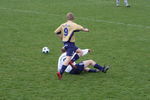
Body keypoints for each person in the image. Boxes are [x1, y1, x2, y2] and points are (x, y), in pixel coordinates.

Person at [54, 12, 89, 79]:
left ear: (67, 18)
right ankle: (60, 72)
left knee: (80, 52)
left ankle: (71, 61)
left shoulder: (63, 25)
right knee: (67, 59)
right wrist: (85, 30)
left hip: (66, 43)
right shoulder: (73, 24)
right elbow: (81, 28)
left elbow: (56, 32)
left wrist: (61, 37)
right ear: (73, 18)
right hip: (70, 44)